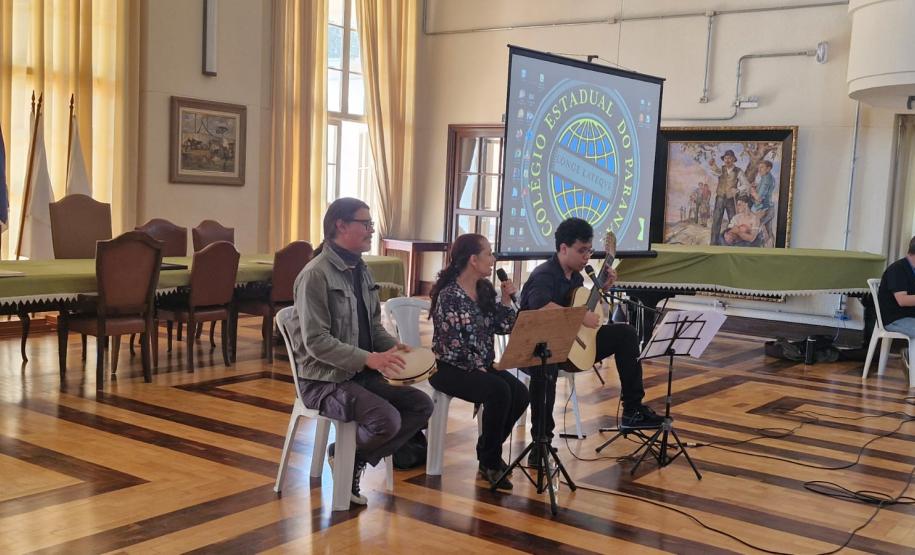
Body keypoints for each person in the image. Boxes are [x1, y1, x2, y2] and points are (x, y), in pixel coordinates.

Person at [288, 197, 434, 507]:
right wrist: (369, 358)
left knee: (421, 406)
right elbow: (315, 341)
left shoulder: (361, 269)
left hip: (359, 375)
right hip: (324, 381)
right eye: (364, 223)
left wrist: (391, 347)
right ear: (340, 226)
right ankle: (347, 459)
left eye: (370, 224)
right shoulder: (315, 275)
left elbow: (372, 326)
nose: (371, 230)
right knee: (387, 421)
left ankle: (348, 458)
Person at [519, 218, 662, 466]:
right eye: (581, 250)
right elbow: (540, 307)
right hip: (540, 347)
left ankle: (632, 409)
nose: (587, 257)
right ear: (564, 248)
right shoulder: (545, 274)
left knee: (625, 334)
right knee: (547, 367)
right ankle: (540, 443)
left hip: (572, 345)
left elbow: (580, 304)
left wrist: (603, 287)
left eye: (589, 251)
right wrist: (579, 317)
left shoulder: (574, 277)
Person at [429, 234, 530, 490]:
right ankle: (491, 461)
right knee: (499, 390)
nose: (493, 259)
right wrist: (479, 365)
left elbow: (503, 326)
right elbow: (450, 342)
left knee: (520, 393)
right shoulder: (449, 294)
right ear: (473, 260)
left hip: (481, 365)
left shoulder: (484, 289)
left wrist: (506, 301)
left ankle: (486, 450)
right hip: (450, 368)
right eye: (489, 254)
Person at [877, 236, 915, 367]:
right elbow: (902, 300)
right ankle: (909, 358)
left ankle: (909, 357)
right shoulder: (897, 269)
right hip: (894, 319)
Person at [708, 150, 749, 245]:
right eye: (726, 158)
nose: (727, 160)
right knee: (716, 221)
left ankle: (732, 244)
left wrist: (737, 189)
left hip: (731, 199)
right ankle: (713, 244)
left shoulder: (738, 171)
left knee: (733, 221)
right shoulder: (721, 170)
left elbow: (746, 185)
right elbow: (716, 172)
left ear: (734, 159)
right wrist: (712, 164)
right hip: (720, 198)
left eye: (730, 158)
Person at [750, 160, 777, 245]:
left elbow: (759, 198)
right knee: (768, 232)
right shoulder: (767, 177)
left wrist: (752, 191)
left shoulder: (766, 179)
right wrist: (757, 186)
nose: (759, 170)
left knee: (757, 231)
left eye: (762, 167)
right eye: (759, 168)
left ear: (768, 168)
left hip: (763, 210)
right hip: (769, 208)